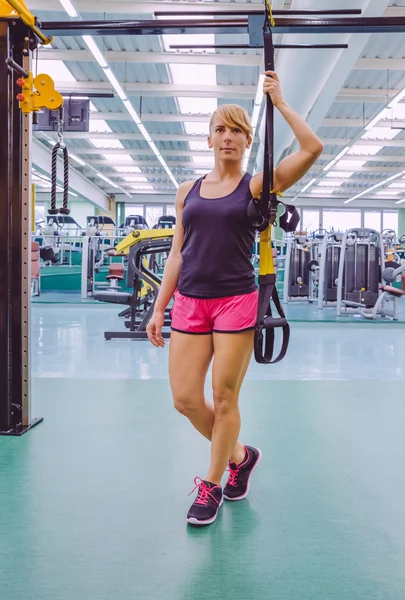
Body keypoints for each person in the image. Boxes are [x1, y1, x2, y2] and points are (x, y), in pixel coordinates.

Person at [146, 71, 323, 526]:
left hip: (236, 302)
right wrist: (158, 305)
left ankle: (212, 484)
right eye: (220, 129)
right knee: (185, 399)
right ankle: (241, 456)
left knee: (224, 399)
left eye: (238, 130)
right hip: (190, 301)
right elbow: (176, 254)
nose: (228, 137)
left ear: (248, 141)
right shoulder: (187, 191)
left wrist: (280, 102)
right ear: (208, 139)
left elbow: (312, 149)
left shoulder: (259, 186)